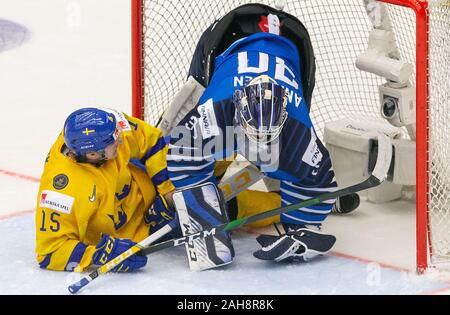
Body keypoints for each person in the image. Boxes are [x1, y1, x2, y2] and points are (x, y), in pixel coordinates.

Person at [167, 4, 340, 262]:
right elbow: (181, 153)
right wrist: (201, 212)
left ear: (283, 118)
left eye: (267, 136)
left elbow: (319, 178)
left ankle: (277, 177)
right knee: (190, 136)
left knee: (290, 161)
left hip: (292, 45)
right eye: (254, 135)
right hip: (227, 38)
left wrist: (302, 227)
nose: (259, 143)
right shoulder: (215, 112)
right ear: (237, 111)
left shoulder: (297, 131)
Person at [35, 107, 175, 272]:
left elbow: (151, 141)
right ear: (93, 155)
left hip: (154, 197)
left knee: (195, 150)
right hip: (133, 235)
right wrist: (100, 254)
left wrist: (169, 191)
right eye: (114, 144)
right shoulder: (62, 192)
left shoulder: (107, 130)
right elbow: (50, 253)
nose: (121, 142)